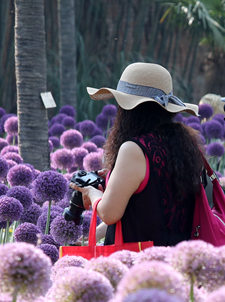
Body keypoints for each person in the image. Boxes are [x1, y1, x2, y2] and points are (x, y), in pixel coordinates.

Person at [72, 63, 203, 246]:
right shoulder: (184, 144)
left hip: (140, 260)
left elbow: (109, 213)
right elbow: (147, 210)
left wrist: (91, 192)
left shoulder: (134, 149)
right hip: (179, 256)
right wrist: (95, 234)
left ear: (128, 109)